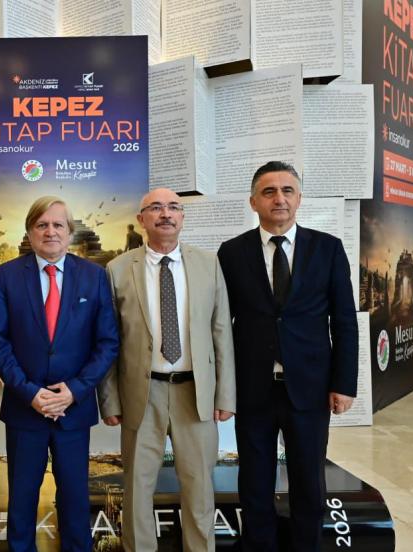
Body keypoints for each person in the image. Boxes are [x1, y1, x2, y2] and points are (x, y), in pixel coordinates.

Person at [217, 161, 358, 552]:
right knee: (254, 482)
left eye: (287, 190)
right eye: (269, 191)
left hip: (310, 389)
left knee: (309, 481)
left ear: (299, 198)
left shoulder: (328, 248)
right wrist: (222, 389)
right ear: (253, 202)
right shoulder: (232, 252)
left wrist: (344, 384)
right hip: (253, 389)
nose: (278, 198)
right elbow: (220, 325)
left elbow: (344, 320)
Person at [98, 187, 236, 551]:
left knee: (199, 485)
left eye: (174, 207)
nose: (165, 214)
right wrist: (109, 400)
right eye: (156, 208)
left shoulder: (208, 264)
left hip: (196, 392)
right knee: (137, 487)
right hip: (142, 394)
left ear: (182, 217)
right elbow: (109, 341)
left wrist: (225, 395)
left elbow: (222, 332)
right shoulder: (117, 269)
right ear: (141, 219)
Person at [0, 196, 119, 552]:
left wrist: (74, 391)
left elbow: (107, 342)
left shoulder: (94, 276)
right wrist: (30, 392)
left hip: (73, 409)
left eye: (58, 225)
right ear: (30, 232)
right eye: (41, 225)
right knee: (21, 500)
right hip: (24, 408)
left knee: (75, 500)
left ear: (70, 231)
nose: (50, 232)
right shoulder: (6, 276)